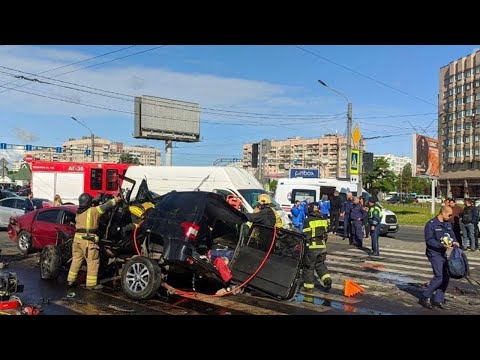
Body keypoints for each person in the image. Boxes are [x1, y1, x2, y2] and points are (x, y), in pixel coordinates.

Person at [67, 192, 122, 289]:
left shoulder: (78, 212)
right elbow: (106, 207)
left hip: (77, 241)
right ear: (89, 202)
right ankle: (91, 285)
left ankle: (70, 281)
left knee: (76, 260)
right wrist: (116, 199)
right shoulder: (92, 211)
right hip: (88, 241)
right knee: (93, 262)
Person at [419, 205, 459, 310]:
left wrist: (455, 242)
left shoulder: (448, 224)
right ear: (443, 213)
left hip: (444, 253)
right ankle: (425, 296)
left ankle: (438, 299)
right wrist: (441, 245)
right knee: (439, 276)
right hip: (434, 253)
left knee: (446, 277)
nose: (451, 217)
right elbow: (429, 240)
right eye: (449, 214)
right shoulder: (431, 224)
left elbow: (452, 234)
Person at [302, 204, 332, 292]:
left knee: (309, 267)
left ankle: (309, 287)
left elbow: (306, 235)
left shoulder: (308, 220)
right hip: (322, 246)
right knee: (320, 265)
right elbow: (326, 233)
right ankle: (327, 280)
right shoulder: (324, 219)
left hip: (312, 246)